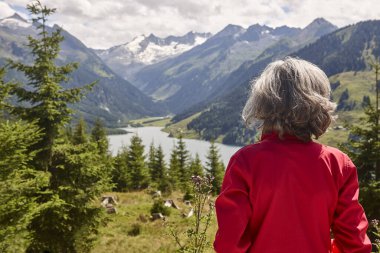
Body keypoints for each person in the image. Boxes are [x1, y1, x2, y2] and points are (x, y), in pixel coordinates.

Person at [213, 57, 372, 253]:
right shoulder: (337, 163)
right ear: (318, 104)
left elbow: (230, 244)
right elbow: (354, 243)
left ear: (263, 103)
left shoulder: (245, 162)